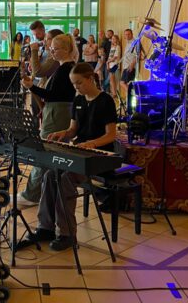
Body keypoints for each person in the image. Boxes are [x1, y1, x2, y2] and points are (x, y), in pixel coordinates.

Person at [20, 63, 117, 251]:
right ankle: (45, 227)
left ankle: (67, 234)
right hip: (80, 152)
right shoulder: (78, 100)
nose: (76, 87)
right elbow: (73, 130)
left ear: (90, 79)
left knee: (65, 180)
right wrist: (62, 133)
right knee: (50, 175)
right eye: (73, 84)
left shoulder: (105, 101)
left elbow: (111, 135)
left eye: (79, 83)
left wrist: (92, 143)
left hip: (99, 156)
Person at [19, 34, 78, 205]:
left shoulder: (66, 69)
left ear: (66, 50)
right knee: (50, 153)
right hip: (56, 112)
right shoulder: (63, 67)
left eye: (55, 49)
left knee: (44, 153)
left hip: (58, 114)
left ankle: (31, 195)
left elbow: (53, 95)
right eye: (51, 48)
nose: (51, 52)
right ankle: (43, 192)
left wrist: (32, 87)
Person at [120, 29, 137, 97]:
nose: (127, 36)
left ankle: (133, 96)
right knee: (122, 83)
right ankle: (130, 97)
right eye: (126, 34)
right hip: (126, 66)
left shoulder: (134, 43)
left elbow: (136, 55)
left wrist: (132, 65)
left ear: (132, 34)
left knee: (126, 84)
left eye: (128, 34)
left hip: (130, 66)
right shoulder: (128, 43)